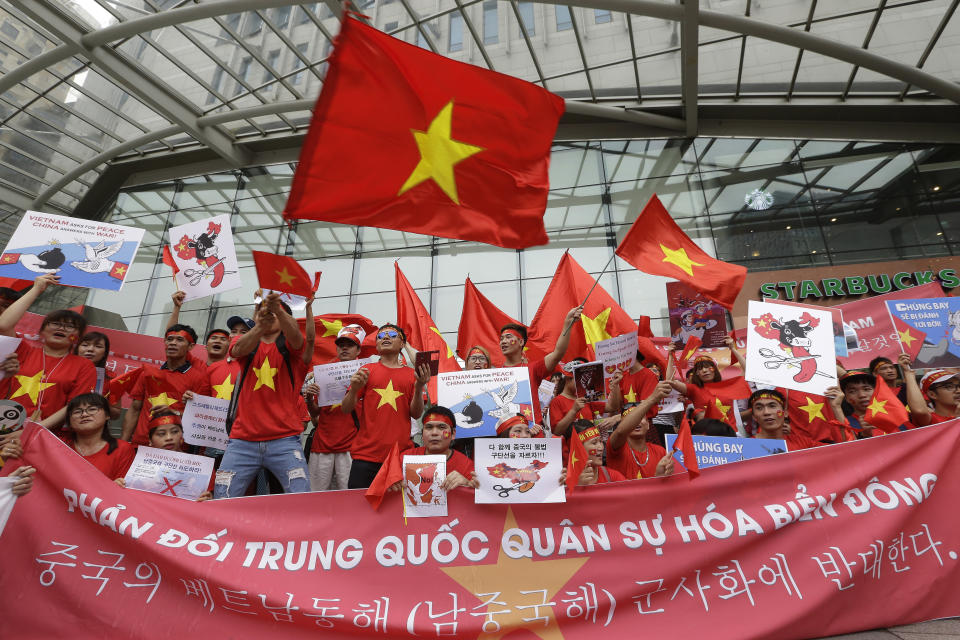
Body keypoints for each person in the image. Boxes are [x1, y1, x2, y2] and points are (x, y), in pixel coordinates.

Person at [214, 293, 311, 498]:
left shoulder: (291, 347)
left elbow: (296, 337)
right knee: (222, 498)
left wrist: (277, 309)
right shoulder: (245, 342)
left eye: (275, 313)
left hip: (284, 440)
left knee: (301, 499)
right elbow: (237, 350)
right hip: (242, 441)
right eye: (265, 312)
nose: (269, 316)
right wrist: (259, 325)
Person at [0, 274, 96, 430]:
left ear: (77, 338)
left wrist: (36, 429)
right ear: (42, 332)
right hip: (3, 427)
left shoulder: (83, 366)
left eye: (70, 326)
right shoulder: (23, 350)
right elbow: (3, 325)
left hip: (41, 435)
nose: (61, 328)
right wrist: (37, 288)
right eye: (55, 323)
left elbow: (75, 404)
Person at [343, 323, 430, 489]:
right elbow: (346, 409)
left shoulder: (411, 375)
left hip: (400, 456)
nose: (386, 338)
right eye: (381, 336)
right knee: (360, 510)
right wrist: (354, 390)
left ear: (402, 344)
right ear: (376, 345)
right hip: (365, 457)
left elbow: (416, 414)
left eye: (392, 334)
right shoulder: (366, 370)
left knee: (396, 511)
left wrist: (419, 387)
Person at [121, 324, 211, 446]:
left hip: (176, 449)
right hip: (141, 445)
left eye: (179, 340)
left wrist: (175, 412)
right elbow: (134, 409)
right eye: (169, 339)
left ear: (191, 346)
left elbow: (202, 418)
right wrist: (123, 443)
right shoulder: (147, 374)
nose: (173, 343)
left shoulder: (200, 378)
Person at [498, 305, 583, 426]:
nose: (503, 341)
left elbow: (558, 353)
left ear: (521, 342)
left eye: (508, 337)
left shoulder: (533, 369)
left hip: (533, 433)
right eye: (501, 339)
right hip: (505, 435)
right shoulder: (495, 375)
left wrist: (567, 324)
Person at [305, 324, 365, 491]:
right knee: (316, 498)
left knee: (350, 498)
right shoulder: (324, 372)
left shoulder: (367, 373)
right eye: (341, 345)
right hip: (322, 444)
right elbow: (316, 412)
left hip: (352, 446)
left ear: (358, 350)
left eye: (350, 345)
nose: (344, 348)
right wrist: (309, 397)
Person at [606, 381, 676, 479]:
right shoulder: (615, 447)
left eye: (641, 418)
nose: (637, 422)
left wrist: (661, 477)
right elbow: (621, 431)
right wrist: (652, 398)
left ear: (648, 424)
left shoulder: (659, 451)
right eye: (632, 420)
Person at [398, 405, 477, 490]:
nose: (434, 433)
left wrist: (466, 484)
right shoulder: (404, 459)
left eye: (441, 427)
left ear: (453, 434)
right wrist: (393, 483)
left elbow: (478, 496)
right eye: (429, 427)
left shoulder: (467, 466)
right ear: (422, 434)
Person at [63, 393, 136, 480]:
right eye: (77, 412)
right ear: (69, 421)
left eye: (92, 409)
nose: (84, 414)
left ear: (107, 415)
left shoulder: (122, 449)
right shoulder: (59, 446)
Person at [750, 389, 820, 451]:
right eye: (759, 408)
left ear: (785, 413)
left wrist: (831, 405)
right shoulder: (744, 447)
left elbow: (830, 453)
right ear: (754, 417)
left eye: (772, 406)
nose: (766, 412)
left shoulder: (804, 444)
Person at [900, 354, 959, 425]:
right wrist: (909, 373)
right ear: (932, 394)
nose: (958, 391)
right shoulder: (932, 420)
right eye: (949, 386)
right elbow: (920, 411)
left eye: (959, 386)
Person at [571, 419, 625, 485]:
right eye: (594, 443)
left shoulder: (613, 477)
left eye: (600, 441)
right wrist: (578, 486)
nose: (601, 448)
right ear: (577, 449)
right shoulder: (564, 481)